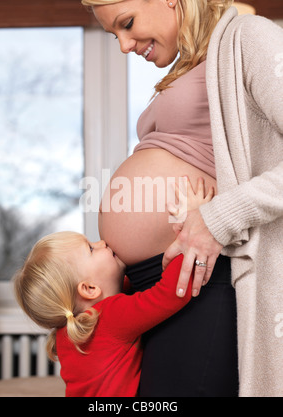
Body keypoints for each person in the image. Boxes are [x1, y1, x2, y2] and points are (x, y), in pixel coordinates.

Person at [81, 0, 283, 396]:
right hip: (153, 284)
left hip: (204, 276)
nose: (123, 46)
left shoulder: (249, 38)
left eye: (127, 23)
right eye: (114, 34)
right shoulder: (187, 66)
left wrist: (218, 217)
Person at [14, 180, 213, 397]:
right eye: (91, 248)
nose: (102, 243)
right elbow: (169, 295)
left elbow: (126, 289)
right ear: (89, 288)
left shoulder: (70, 332)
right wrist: (188, 228)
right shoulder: (107, 317)